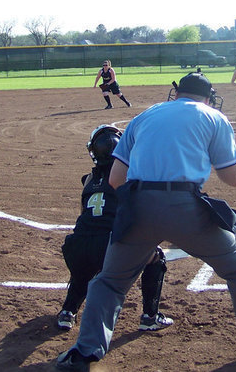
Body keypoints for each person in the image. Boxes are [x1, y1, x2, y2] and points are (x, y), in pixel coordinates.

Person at [55, 71, 236, 371]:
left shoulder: (144, 116)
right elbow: (232, 179)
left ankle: (84, 353)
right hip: (185, 208)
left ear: (177, 93)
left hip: (137, 208)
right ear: (207, 97)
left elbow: (116, 179)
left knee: (109, 282)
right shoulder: (213, 117)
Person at [56, 124, 172, 334]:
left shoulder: (88, 180)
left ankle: (67, 313)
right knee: (156, 257)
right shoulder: (127, 175)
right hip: (108, 247)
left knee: (85, 267)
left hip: (75, 247)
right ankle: (150, 317)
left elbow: (83, 213)